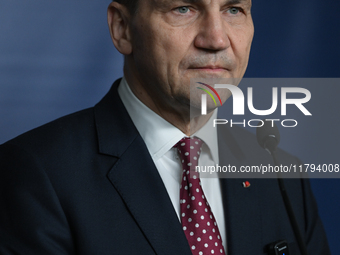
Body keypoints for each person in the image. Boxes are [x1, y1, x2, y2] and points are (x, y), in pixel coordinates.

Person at [0, 0, 330, 254]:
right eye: (183, 8)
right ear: (123, 29)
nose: (216, 39)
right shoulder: (34, 174)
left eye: (233, 9)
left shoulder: (278, 171)